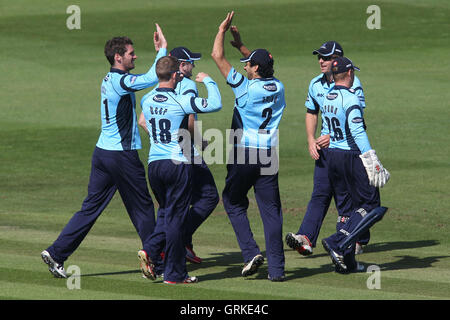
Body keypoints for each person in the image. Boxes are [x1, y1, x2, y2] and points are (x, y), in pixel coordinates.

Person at [40, 25, 168, 278]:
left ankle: (56, 252)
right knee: (142, 208)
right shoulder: (121, 81)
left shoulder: (109, 78)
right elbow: (152, 78)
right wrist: (162, 49)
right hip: (121, 155)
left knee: (90, 208)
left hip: (103, 154)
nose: (135, 56)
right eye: (131, 53)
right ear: (117, 57)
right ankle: (157, 262)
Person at [211, 12, 286, 282]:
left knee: (232, 201)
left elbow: (217, 57)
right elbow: (266, 63)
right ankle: (277, 271)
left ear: (255, 69)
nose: (244, 67)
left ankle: (250, 251)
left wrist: (221, 30)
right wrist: (242, 45)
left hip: (245, 153)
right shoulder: (278, 86)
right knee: (271, 211)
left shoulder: (245, 88)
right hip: (269, 155)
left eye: (248, 65)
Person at [138, 56, 222, 284]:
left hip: (154, 165)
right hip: (177, 164)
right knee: (176, 219)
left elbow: (142, 122)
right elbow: (215, 103)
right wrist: (209, 81)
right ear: (175, 75)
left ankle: (154, 253)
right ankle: (173, 273)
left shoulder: (146, 99)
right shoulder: (181, 100)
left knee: (166, 212)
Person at [285, 41, 369, 256]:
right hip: (325, 150)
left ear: (337, 59)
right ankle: (306, 238)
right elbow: (312, 112)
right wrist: (311, 139)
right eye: (319, 57)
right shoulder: (315, 84)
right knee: (320, 192)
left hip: (347, 150)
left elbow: (357, 120)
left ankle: (353, 238)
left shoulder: (352, 83)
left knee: (348, 196)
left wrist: (332, 136)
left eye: (325, 57)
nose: (321, 61)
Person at [319, 56, 390, 273]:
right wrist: (371, 158)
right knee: (371, 206)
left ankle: (346, 262)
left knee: (347, 208)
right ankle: (338, 241)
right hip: (351, 155)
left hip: (332, 157)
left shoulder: (328, 97)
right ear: (349, 73)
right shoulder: (351, 99)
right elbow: (357, 130)